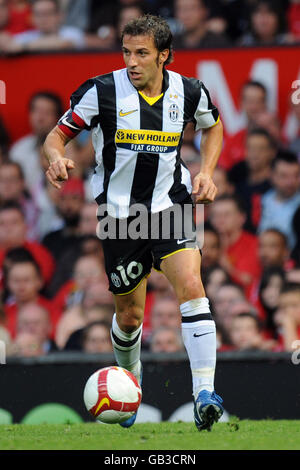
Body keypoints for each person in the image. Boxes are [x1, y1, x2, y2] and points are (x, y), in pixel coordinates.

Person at [43, 14, 224, 431]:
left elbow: (213, 128)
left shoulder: (190, 91)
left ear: (164, 55)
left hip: (170, 206)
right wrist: (56, 158)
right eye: (126, 52)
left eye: (142, 53)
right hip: (121, 218)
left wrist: (208, 172)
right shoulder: (101, 90)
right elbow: (55, 136)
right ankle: (131, 382)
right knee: (129, 318)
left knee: (192, 287)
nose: (132, 62)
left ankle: (203, 394)